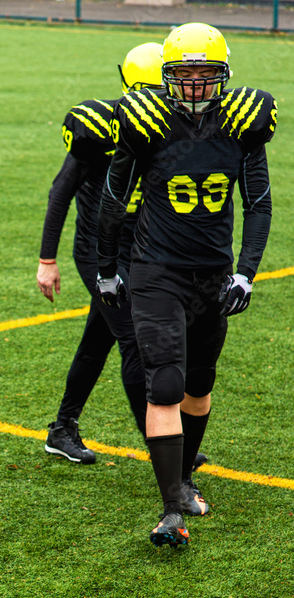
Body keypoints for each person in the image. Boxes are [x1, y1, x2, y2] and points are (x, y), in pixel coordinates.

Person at [96, 23, 276, 547]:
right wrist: (108, 269)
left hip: (214, 273)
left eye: (205, 73)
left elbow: (258, 204)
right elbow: (113, 201)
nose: (195, 84)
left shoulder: (244, 123)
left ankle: (185, 479)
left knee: (199, 385)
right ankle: (171, 505)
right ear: (166, 77)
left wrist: (246, 270)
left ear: (223, 75)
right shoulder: (144, 120)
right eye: (184, 73)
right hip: (157, 271)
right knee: (167, 384)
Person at [37, 42, 162, 464]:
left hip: (139, 249)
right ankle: (162, 442)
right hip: (97, 250)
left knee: (99, 339)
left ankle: (62, 428)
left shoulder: (172, 125)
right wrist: (47, 261)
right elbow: (60, 191)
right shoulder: (100, 127)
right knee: (133, 340)